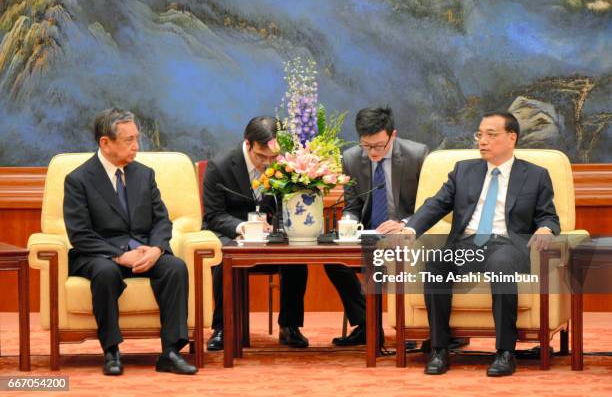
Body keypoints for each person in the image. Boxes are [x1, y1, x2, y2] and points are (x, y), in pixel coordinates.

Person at [402, 111, 560, 376]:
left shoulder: (535, 175)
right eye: (479, 134)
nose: (482, 141)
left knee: (500, 263)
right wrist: (410, 228)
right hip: (468, 245)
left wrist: (545, 228)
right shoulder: (464, 170)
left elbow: (548, 215)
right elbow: (437, 204)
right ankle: (440, 349)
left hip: (508, 245)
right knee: (436, 264)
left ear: (512, 138)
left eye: (491, 134)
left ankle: (505, 352)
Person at [63, 108, 197, 375]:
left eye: (137, 138)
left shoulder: (144, 174)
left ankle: (170, 352)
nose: (137, 146)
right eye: (129, 140)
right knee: (105, 273)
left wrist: (157, 249)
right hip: (100, 254)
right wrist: (119, 255)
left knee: (175, 268)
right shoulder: (78, 179)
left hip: (144, 249)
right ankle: (111, 351)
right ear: (106, 142)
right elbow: (80, 234)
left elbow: (162, 220)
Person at [325, 106, 429, 346]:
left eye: (379, 146)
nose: (372, 152)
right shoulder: (351, 158)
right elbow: (352, 206)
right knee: (333, 260)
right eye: (366, 145)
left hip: (405, 233)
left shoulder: (417, 155)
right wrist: (348, 224)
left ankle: (408, 326)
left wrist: (403, 224)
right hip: (369, 234)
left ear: (392, 135)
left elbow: (428, 205)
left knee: (404, 255)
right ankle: (366, 324)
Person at [203, 116, 309, 350]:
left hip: (270, 236)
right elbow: (213, 216)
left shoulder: (283, 164)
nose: (267, 164)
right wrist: (243, 228)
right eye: (261, 157)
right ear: (248, 144)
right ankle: (222, 327)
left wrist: (280, 226)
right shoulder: (220, 166)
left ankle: (290, 326)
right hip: (232, 233)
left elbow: (288, 204)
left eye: (273, 158)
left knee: (297, 256)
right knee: (224, 256)